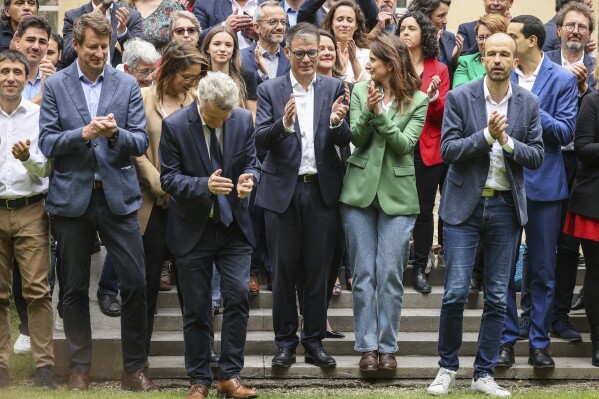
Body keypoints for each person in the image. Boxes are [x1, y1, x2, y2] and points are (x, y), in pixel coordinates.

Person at [38, 12, 158, 391]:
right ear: (75, 45)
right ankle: (79, 368)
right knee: (73, 289)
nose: (99, 54)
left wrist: (113, 135)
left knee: (136, 284)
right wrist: (84, 132)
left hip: (118, 197)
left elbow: (139, 141)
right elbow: (47, 142)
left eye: (104, 47)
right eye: (92, 47)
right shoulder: (56, 85)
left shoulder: (125, 85)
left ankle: (134, 369)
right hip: (72, 199)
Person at [426, 32, 544, 397]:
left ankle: (484, 372)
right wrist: (487, 136)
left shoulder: (528, 103)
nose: (496, 60)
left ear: (514, 60)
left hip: (506, 208)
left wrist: (507, 142)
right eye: (490, 53)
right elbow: (448, 149)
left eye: (504, 54)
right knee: (455, 293)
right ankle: (447, 368)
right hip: (464, 207)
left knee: (496, 294)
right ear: (482, 59)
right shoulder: (461, 97)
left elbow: (537, 155)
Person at [159, 71, 260, 399]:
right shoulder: (175, 126)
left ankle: (230, 376)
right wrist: (203, 185)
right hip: (192, 230)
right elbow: (169, 179)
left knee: (237, 296)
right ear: (201, 104)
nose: (223, 122)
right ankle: (199, 379)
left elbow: (253, 164)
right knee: (197, 307)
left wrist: (249, 180)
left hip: (234, 228)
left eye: (227, 116)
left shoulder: (243, 120)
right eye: (216, 118)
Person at [255, 22, 350, 369]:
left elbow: (345, 139)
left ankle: (313, 341)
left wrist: (339, 124)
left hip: (322, 191)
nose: (308, 58)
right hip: (282, 191)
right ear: (288, 53)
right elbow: (260, 140)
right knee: (282, 272)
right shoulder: (270, 89)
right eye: (301, 53)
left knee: (318, 271)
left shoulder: (335, 86)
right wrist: (284, 124)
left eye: (313, 52)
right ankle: (284, 343)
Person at [340, 34, 428, 371]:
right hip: (358, 193)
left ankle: (388, 348)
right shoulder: (360, 91)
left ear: (390, 64)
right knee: (363, 274)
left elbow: (405, 145)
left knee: (390, 273)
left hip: (398, 197)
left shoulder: (418, 101)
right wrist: (368, 113)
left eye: (373, 59)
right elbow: (357, 139)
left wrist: (381, 114)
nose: (368, 64)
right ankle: (367, 349)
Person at [497, 15, 578, 370]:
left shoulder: (561, 78)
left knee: (544, 269)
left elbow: (563, 132)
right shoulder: (501, 76)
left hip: (545, 186)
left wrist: (530, 105)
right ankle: (504, 341)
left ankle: (539, 344)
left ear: (530, 41)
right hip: (504, 183)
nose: (505, 41)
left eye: (511, 36)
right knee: (502, 271)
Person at [135, 39, 208, 361]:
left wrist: (182, 187)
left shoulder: (197, 102)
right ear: (169, 70)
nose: (191, 83)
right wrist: (160, 185)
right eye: (186, 76)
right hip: (151, 206)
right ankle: (138, 358)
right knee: (147, 283)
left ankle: (201, 355)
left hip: (188, 206)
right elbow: (136, 150)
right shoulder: (141, 99)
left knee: (193, 287)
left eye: (195, 78)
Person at [0, 49, 56, 389]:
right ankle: (1, 368)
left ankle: (44, 367)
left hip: (31, 209)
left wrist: (26, 160)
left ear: (26, 76)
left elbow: (48, 168)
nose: (9, 77)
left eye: (16, 72)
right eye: (4, 70)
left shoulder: (38, 116)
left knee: (37, 291)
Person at [546, 1, 595, 343]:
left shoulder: (594, 69)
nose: (576, 31)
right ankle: (533, 314)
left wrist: (583, 92)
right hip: (548, 160)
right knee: (540, 241)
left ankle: (561, 316)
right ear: (560, 29)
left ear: (589, 35)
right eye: (571, 25)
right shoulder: (546, 65)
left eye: (583, 26)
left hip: (583, 168)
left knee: (568, 246)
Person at [397, 11, 450, 294]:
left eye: (412, 28)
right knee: (396, 208)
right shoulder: (393, 64)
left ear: (424, 34)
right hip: (396, 145)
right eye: (402, 28)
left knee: (423, 210)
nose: (405, 33)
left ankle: (419, 267)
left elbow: (444, 116)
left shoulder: (439, 69)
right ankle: (394, 265)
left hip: (428, 148)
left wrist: (431, 98)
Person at [563, 69, 599, 368]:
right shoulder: (593, 100)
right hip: (595, 202)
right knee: (597, 272)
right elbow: (583, 148)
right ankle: (598, 341)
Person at [61, 0, 143, 68]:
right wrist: (88, 24)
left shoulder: (131, 16)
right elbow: (68, 56)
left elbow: (138, 57)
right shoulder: (73, 16)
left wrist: (123, 32)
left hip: (120, 82)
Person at [201, 25, 257, 116]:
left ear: (234, 50)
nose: (223, 49)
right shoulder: (199, 75)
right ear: (207, 48)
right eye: (217, 44)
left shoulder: (246, 76)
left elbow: (252, 115)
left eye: (228, 45)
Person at [407, 0, 463, 84]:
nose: (445, 21)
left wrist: (455, 59)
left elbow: (453, 76)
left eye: (446, 15)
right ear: (425, 15)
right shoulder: (409, 40)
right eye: (441, 16)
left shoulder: (449, 38)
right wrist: (433, 52)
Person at [240, 1, 290, 87]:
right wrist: (261, 74)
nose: (280, 27)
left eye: (283, 22)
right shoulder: (240, 58)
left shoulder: (292, 58)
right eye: (272, 21)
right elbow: (242, 93)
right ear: (257, 27)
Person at [453, 14, 508, 88]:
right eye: (481, 37)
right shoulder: (466, 62)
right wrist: (488, 76)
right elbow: (459, 92)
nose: (484, 42)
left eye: (489, 37)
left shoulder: (511, 61)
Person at [321, 0, 370, 83]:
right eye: (340, 20)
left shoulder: (367, 55)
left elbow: (368, 87)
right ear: (331, 24)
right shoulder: (323, 53)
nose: (345, 24)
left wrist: (354, 61)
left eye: (350, 20)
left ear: (356, 26)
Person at [14, 15, 53, 104]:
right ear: (17, 42)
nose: (36, 47)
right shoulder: (4, 78)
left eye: (42, 42)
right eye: (30, 40)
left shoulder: (53, 80)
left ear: (47, 47)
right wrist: (42, 95)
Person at [194, 0, 260, 49]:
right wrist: (224, 27)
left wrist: (260, 35)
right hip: (221, 63)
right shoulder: (205, 3)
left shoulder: (267, 3)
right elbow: (195, 39)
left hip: (262, 62)